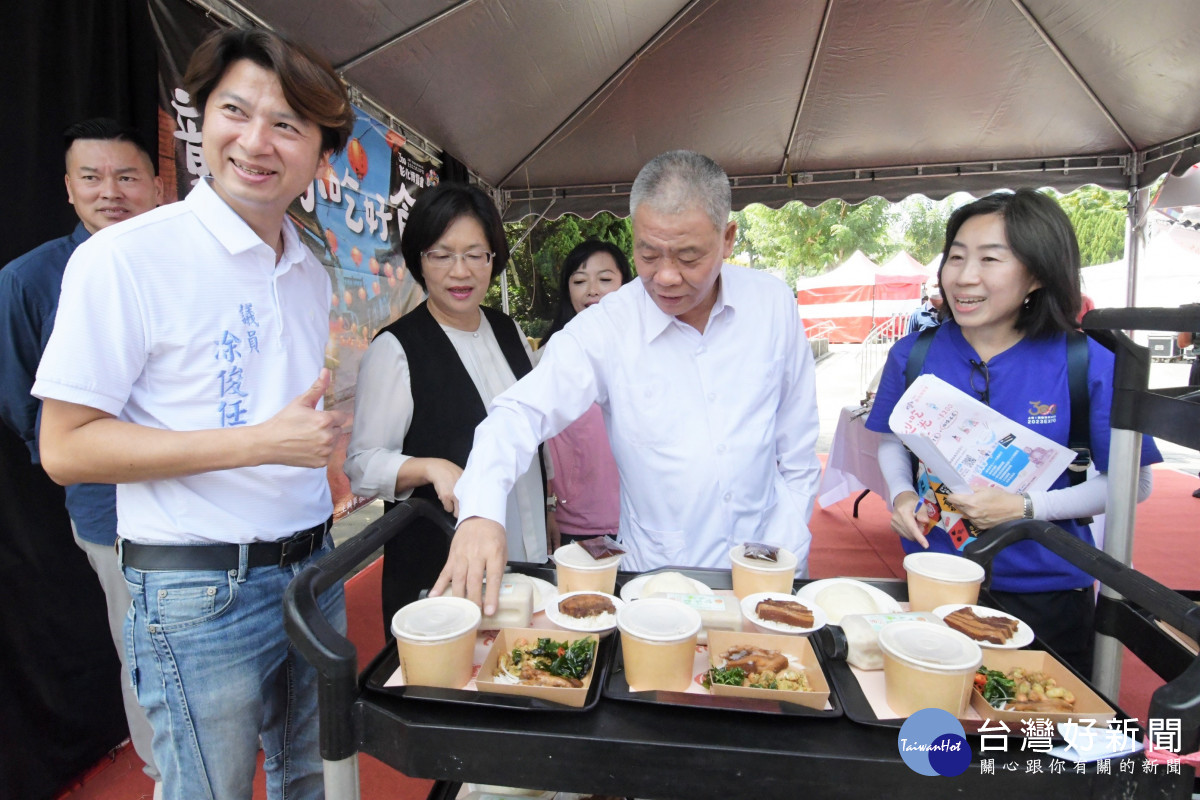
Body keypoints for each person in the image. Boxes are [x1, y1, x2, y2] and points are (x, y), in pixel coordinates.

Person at [33, 28, 354, 800]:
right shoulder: (124, 258)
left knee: (317, 781)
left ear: (321, 154)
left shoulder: (309, 269)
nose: (255, 142)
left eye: (287, 125)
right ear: (197, 118)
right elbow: (65, 448)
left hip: (315, 573)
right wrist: (256, 444)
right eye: (234, 111)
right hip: (198, 593)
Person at [432, 150, 821, 615]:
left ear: (728, 238)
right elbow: (519, 412)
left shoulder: (772, 304)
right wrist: (480, 511)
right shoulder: (608, 327)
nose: (666, 276)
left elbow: (797, 451)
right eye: (648, 254)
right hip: (660, 585)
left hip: (768, 570)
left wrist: (787, 548)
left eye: (689, 256)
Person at [866, 189, 1161, 676]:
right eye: (955, 257)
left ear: (1037, 274)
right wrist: (899, 496)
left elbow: (1136, 483)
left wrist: (1026, 510)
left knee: (1035, 736)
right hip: (937, 579)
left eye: (989, 259)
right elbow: (894, 440)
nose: (964, 276)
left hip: (1048, 592)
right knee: (941, 731)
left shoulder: (1087, 362)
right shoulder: (912, 354)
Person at [0, 117, 164, 793]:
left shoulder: (176, 267)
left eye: (127, 177)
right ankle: (167, 772)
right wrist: (88, 452)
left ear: (155, 186)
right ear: (68, 189)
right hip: (109, 509)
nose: (111, 192)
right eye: (92, 178)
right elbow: (21, 408)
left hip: (204, 492)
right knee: (144, 648)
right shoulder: (30, 279)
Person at [344, 182, 548, 628]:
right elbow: (361, 464)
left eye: (476, 254)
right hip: (442, 570)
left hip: (527, 554)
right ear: (420, 259)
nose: (461, 271)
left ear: (494, 259)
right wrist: (428, 466)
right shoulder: (397, 349)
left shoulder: (508, 331)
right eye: (443, 254)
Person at [541, 239, 633, 545]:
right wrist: (548, 508)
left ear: (626, 285)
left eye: (605, 279)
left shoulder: (647, 352)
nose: (592, 290)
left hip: (641, 521)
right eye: (580, 281)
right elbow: (537, 444)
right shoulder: (548, 357)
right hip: (574, 526)